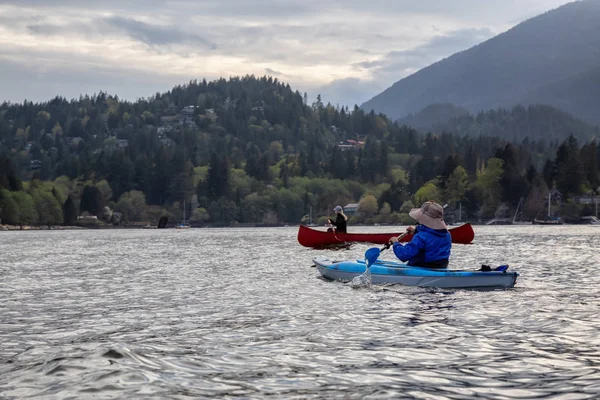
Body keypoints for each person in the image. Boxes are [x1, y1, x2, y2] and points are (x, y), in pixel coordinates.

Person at [389, 201, 451, 268]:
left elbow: (404, 255)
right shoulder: (447, 235)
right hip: (441, 267)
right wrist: (416, 231)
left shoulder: (421, 237)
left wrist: (395, 243)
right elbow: (432, 236)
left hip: (422, 268)